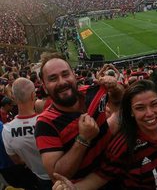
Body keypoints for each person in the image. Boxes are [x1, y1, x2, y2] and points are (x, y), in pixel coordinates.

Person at [52, 80, 157, 189]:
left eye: (154, 104)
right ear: (131, 112)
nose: (150, 113)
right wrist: (73, 188)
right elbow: (100, 178)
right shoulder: (123, 145)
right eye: (140, 108)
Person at [34, 53, 124, 181]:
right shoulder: (45, 123)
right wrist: (83, 139)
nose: (62, 82)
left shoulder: (93, 92)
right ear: (45, 87)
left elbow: (120, 99)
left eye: (65, 74)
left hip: (119, 173)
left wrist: (114, 87)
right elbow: (57, 176)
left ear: (74, 75)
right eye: (53, 78)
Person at [2, 78, 52, 189]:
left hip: (39, 176)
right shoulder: (48, 121)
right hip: (61, 174)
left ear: (13, 98)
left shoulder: (7, 130)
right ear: (33, 95)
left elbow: (16, 160)